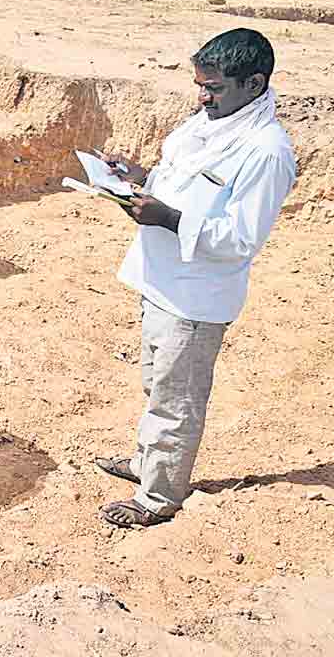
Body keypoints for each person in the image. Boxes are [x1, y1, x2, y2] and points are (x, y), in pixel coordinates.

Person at [92, 29, 296, 529]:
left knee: (176, 399)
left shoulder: (266, 152)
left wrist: (167, 218)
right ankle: (147, 463)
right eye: (200, 85)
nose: (203, 96)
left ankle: (157, 497)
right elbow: (182, 183)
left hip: (195, 299)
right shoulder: (209, 123)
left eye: (214, 87)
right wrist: (138, 179)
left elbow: (240, 239)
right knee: (157, 384)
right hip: (161, 281)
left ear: (254, 84)